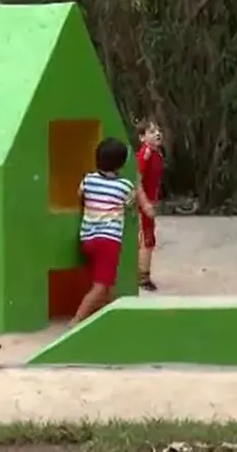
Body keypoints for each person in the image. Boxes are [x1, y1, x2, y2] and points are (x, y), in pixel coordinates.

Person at [70, 138, 156, 326]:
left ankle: (115, 315)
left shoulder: (88, 180)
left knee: (106, 285)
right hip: (108, 241)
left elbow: (80, 195)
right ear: (122, 163)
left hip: (87, 239)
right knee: (101, 287)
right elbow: (130, 204)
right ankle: (76, 322)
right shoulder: (124, 186)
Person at [135, 119, 164, 291]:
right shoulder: (144, 154)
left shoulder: (156, 154)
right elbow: (136, 180)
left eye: (158, 130)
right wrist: (145, 203)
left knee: (149, 238)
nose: (157, 133)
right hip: (142, 203)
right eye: (151, 131)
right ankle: (142, 277)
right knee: (146, 239)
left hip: (150, 201)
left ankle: (143, 274)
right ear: (142, 137)